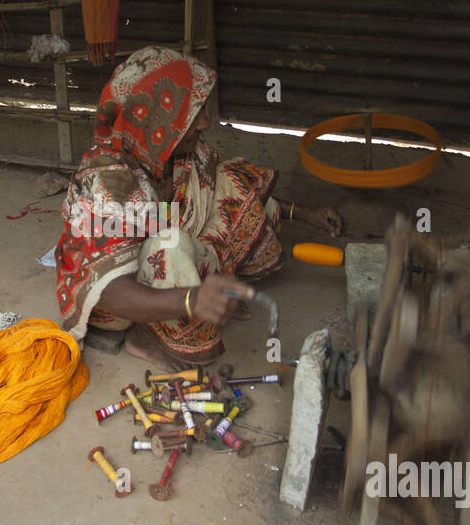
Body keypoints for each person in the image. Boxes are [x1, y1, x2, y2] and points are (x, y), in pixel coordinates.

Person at [54, 47, 342, 366]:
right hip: (114, 302)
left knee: (231, 183)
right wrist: (192, 299)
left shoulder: (177, 153)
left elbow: (232, 189)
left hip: (155, 252)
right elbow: (111, 292)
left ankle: (197, 294)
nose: (205, 122)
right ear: (154, 119)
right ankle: (148, 333)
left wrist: (302, 212)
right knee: (171, 244)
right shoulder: (106, 182)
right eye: (192, 115)